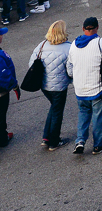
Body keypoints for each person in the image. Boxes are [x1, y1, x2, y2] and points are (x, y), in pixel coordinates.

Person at [67, 15, 102, 154]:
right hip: (98, 87)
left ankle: (80, 141)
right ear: (97, 28)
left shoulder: (73, 44)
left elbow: (69, 68)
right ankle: (99, 145)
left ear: (83, 28)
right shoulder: (101, 42)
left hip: (80, 89)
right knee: (99, 116)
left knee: (83, 114)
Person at [28, 17, 72, 148]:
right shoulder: (68, 48)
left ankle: (46, 137)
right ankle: (54, 141)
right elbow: (70, 70)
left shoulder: (41, 45)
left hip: (44, 86)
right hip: (59, 87)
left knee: (53, 108)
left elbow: (31, 64)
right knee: (57, 112)